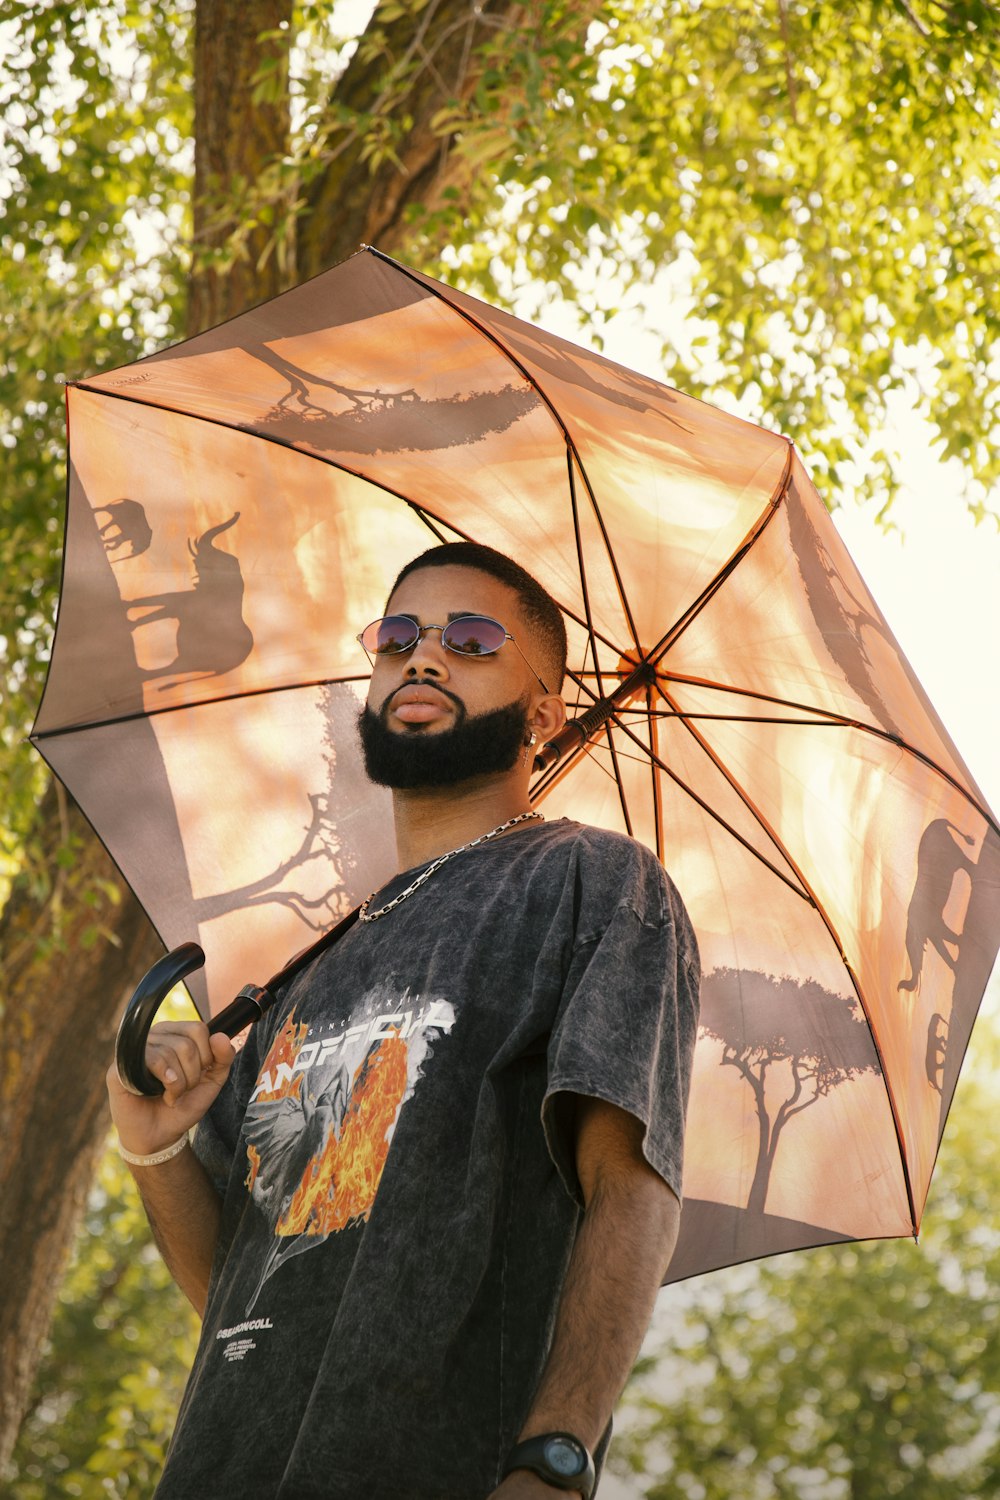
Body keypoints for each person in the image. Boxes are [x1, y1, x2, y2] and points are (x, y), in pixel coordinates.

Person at [107, 541, 701, 1500]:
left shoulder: (594, 883)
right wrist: (155, 1152)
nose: (423, 657)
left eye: (471, 639)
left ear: (545, 713)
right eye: (397, 637)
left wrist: (555, 1457)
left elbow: (631, 1186)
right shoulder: (312, 959)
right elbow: (236, 1290)